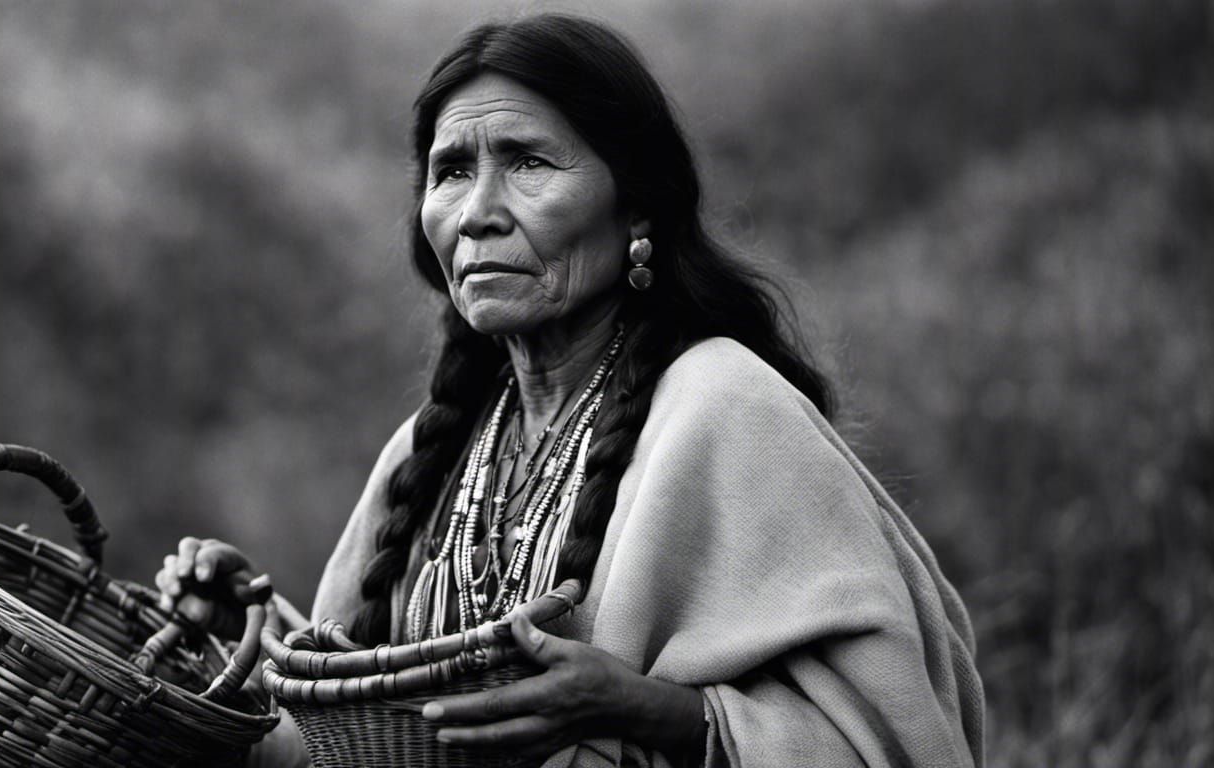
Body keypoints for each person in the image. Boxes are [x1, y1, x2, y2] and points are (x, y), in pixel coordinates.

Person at [155, 13, 984, 767]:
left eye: (527, 163)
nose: (477, 210)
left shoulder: (725, 411)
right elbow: (357, 748)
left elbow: (898, 746)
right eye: (451, 171)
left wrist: (657, 714)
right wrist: (256, 643)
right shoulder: (432, 452)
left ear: (638, 208)